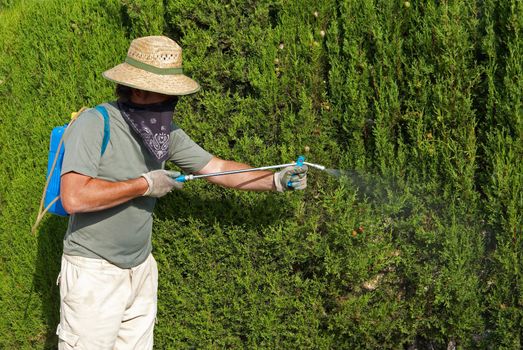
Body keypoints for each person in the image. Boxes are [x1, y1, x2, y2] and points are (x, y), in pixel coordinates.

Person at [56, 35, 308, 349]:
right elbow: (74, 197)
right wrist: (145, 185)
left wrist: (275, 180)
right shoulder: (95, 123)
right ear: (137, 89)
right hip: (94, 273)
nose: (170, 103)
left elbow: (216, 168)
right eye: (164, 94)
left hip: (141, 269)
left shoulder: (163, 134)